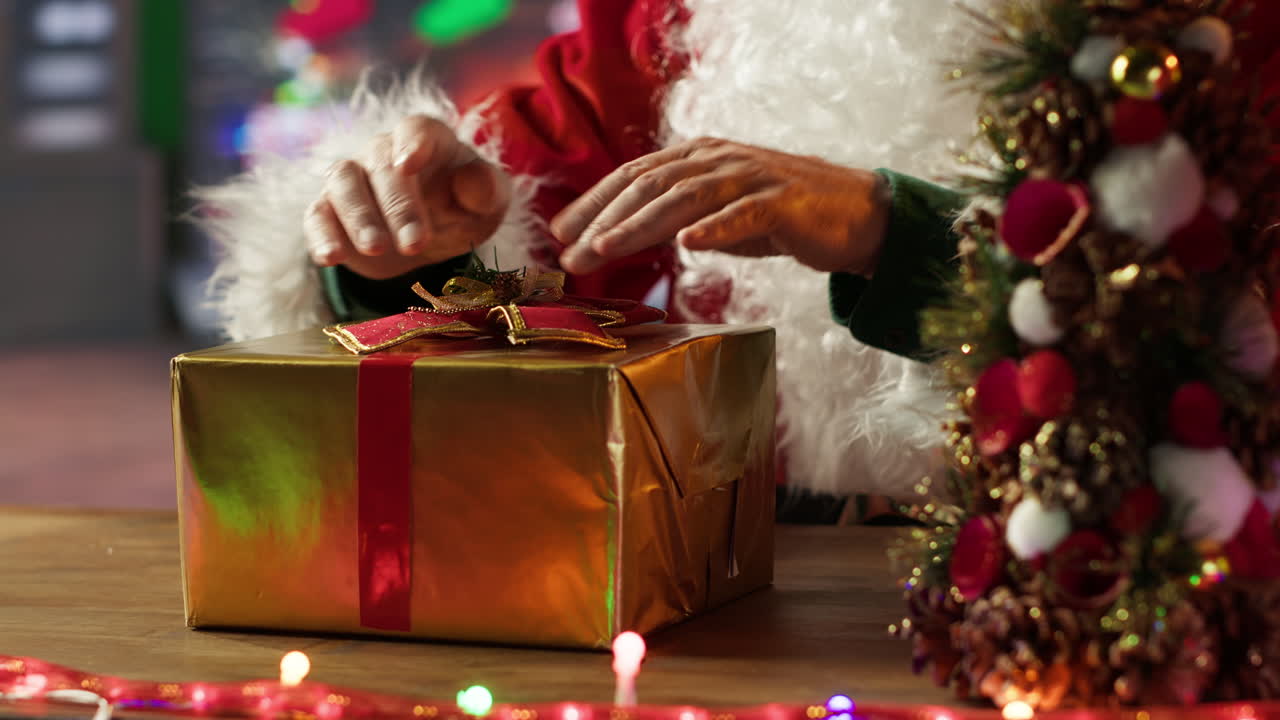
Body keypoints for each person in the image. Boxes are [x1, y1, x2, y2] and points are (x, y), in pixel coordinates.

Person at [197, 0, 1276, 503]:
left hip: (1112, 600)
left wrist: (895, 236)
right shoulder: (667, 18)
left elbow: (1223, 362)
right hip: (739, 582)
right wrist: (405, 248)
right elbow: (514, 258)